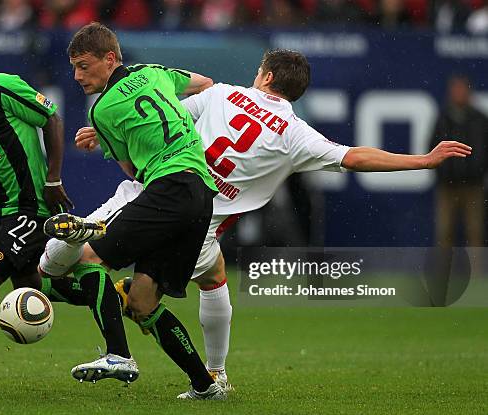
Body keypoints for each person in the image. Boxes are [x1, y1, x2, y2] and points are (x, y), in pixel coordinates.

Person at [42, 48, 472, 392]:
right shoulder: (295, 134)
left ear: (265, 76)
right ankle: (215, 374)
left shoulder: (222, 94)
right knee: (210, 277)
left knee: (72, 263)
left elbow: (163, 118)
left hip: (153, 193)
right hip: (202, 225)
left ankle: (56, 297)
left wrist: (104, 129)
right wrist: (424, 160)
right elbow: (355, 157)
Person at [0, 32, 126, 383]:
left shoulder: (0, 89)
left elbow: (52, 118)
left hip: (33, 207)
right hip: (3, 211)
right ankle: (114, 298)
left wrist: (54, 179)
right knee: (34, 287)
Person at [41, 22, 227, 400]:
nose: (77, 76)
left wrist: (110, 135)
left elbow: (133, 172)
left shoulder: (103, 110)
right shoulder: (154, 73)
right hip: (202, 194)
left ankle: (118, 355)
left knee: (88, 259)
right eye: (74, 67)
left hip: (168, 186)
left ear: (110, 59)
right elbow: (206, 83)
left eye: (84, 65)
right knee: (142, 302)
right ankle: (206, 386)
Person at [430, 74, 488, 248]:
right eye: (456, 89)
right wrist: (444, 174)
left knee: (475, 232)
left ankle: (477, 274)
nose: (459, 93)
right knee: (444, 232)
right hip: (447, 187)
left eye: (462, 89)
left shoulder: (479, 119)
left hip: (474, 186)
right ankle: (444, 272)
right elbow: (432, 147)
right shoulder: (444, 118)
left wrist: (477, 172)